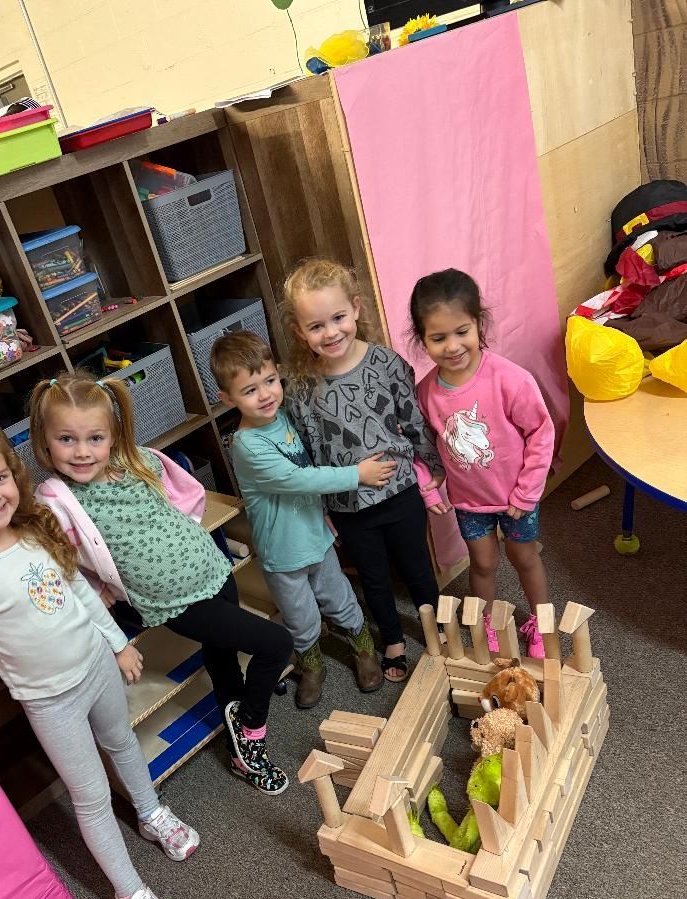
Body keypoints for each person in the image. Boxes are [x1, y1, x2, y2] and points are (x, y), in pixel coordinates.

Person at [0, 404, 195, 899]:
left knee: (122, 741)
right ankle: (131, 894)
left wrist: (118, 643)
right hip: (49, 701)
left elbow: (78, 589)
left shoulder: (31, 531)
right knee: (90, 797)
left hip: (96, 666)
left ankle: (151, 811)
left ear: (12, 474)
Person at [28, 373, 293, 796]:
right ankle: (250, 728)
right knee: (276, 644)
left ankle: (238, 741)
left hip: (212, 567)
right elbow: (64, 562)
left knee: (223, 656)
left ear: (113, 436)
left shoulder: (137, 462)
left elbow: (180, 499)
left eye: (95, 438)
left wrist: (187, 537)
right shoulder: (57, 501)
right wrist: (102, 597)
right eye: (66, 439)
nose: (82, 451)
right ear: (44, 440)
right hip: (174, 602)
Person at [210, 330, 397, 709]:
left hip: (316, 535)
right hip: (282, 552)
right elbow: (298, 479)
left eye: (270, 381)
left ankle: (362, 645)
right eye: (250, 390)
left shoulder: (283, 418)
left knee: (338, 595)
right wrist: (356, 475)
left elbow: (309, 462)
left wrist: (324, 513)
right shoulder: (246, 445)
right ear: (227, 399)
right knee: (300, 615)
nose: (265, 394)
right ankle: (311, 663)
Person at [283, 257, 446, 683]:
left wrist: (431, 470)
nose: (331, 332)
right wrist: (319, 507)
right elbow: (307, 452)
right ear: (300, 331)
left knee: (416, 567)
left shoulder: (387, 364)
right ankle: (392, 639)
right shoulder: (300, 386)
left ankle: (438, 628)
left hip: (400, 491)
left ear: (355, 307)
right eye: (316, 326)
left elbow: (413, 420)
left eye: (338, 318)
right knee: (373, 578)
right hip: (348, 505)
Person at [409, 268, 555, 658]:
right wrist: (427, 486)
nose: (452, 346)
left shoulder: (510, 379)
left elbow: (541, 434)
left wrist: (526, 493)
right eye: (438, 338)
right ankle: (485, 623)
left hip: (516, 498)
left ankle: (541, 624)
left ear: (478, 324)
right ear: (422, 339)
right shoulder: (425, 393)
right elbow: (421, 446)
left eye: (462, 332)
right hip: (470, 502)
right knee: (483, 563)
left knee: (525, 557)